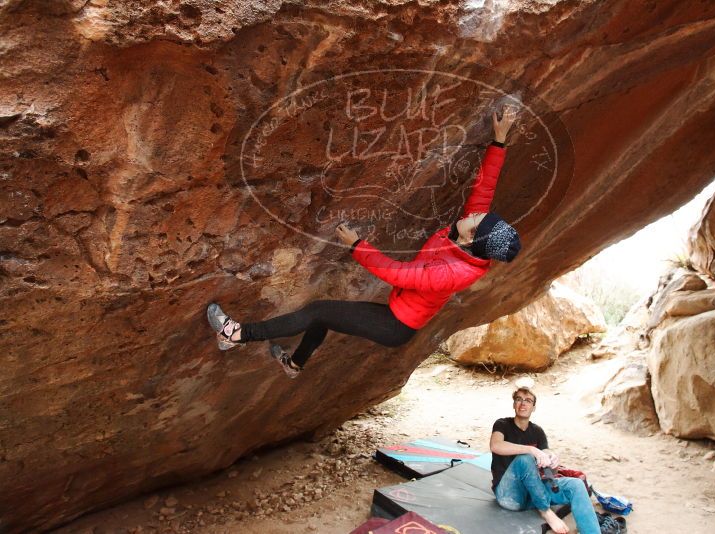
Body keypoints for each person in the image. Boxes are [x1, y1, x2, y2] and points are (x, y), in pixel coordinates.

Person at [206, 106, 522, 378]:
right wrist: (499, 141)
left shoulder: (454, 273)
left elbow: (400, 275)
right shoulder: (474, 241)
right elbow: (484, 191)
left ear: (470, 239)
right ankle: (295, 364)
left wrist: (359, 246)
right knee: (326, 314)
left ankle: (235, 335)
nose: (473, 215)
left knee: (319, 310)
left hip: (394, 325)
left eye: (475, 221)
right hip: (399, 309)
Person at [490, 380, 601, 534]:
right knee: (525, 459)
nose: (523, 403)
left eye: (528, 400)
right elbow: (496, 446)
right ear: (513, 404)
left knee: (576, 485)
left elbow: (551, 469)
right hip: (509, 495)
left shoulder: (538, 431)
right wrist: (531, 450)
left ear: (533, 407)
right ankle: (546, 511)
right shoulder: (502, 424)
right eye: (519, 399)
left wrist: (553, 459)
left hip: (533, 493)